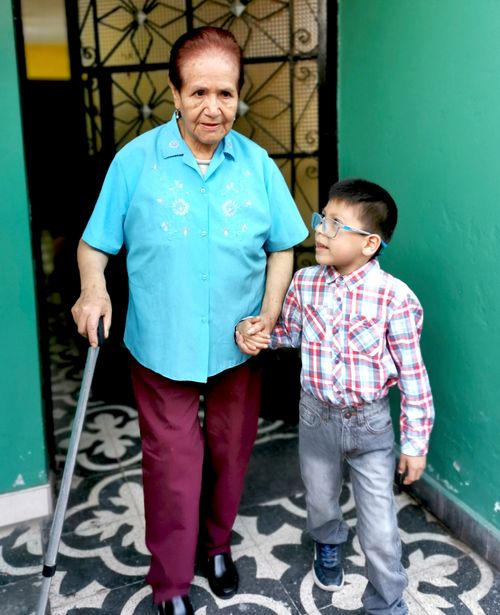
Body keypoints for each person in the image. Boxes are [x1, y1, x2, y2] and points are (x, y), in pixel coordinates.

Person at [71, 26, 308, 615]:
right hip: (162, 342)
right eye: (199, 92)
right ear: (174, 93)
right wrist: (92, 288)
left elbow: (284, 247)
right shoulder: (135, 162)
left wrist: (269, 312)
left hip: (239, 344)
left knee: (230, 451)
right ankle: (172, 581)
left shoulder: (256, 166)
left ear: (239, 96)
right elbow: (94, 244)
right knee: (174, 464)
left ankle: (218, 545)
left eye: (225, 94)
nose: (213, 108)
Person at [236, 178, 435, 615]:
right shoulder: (306, 282)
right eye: (321, 218)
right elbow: (287, 334)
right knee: (321, 499)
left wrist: (416, 444)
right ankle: (327, 544)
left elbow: (414, 376)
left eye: (334, 223)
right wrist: (256, 334)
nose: (320, 230)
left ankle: (387, 603)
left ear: (369, 243)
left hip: (371, 426)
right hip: (315, 419)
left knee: (380, 528)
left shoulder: (394, 298)